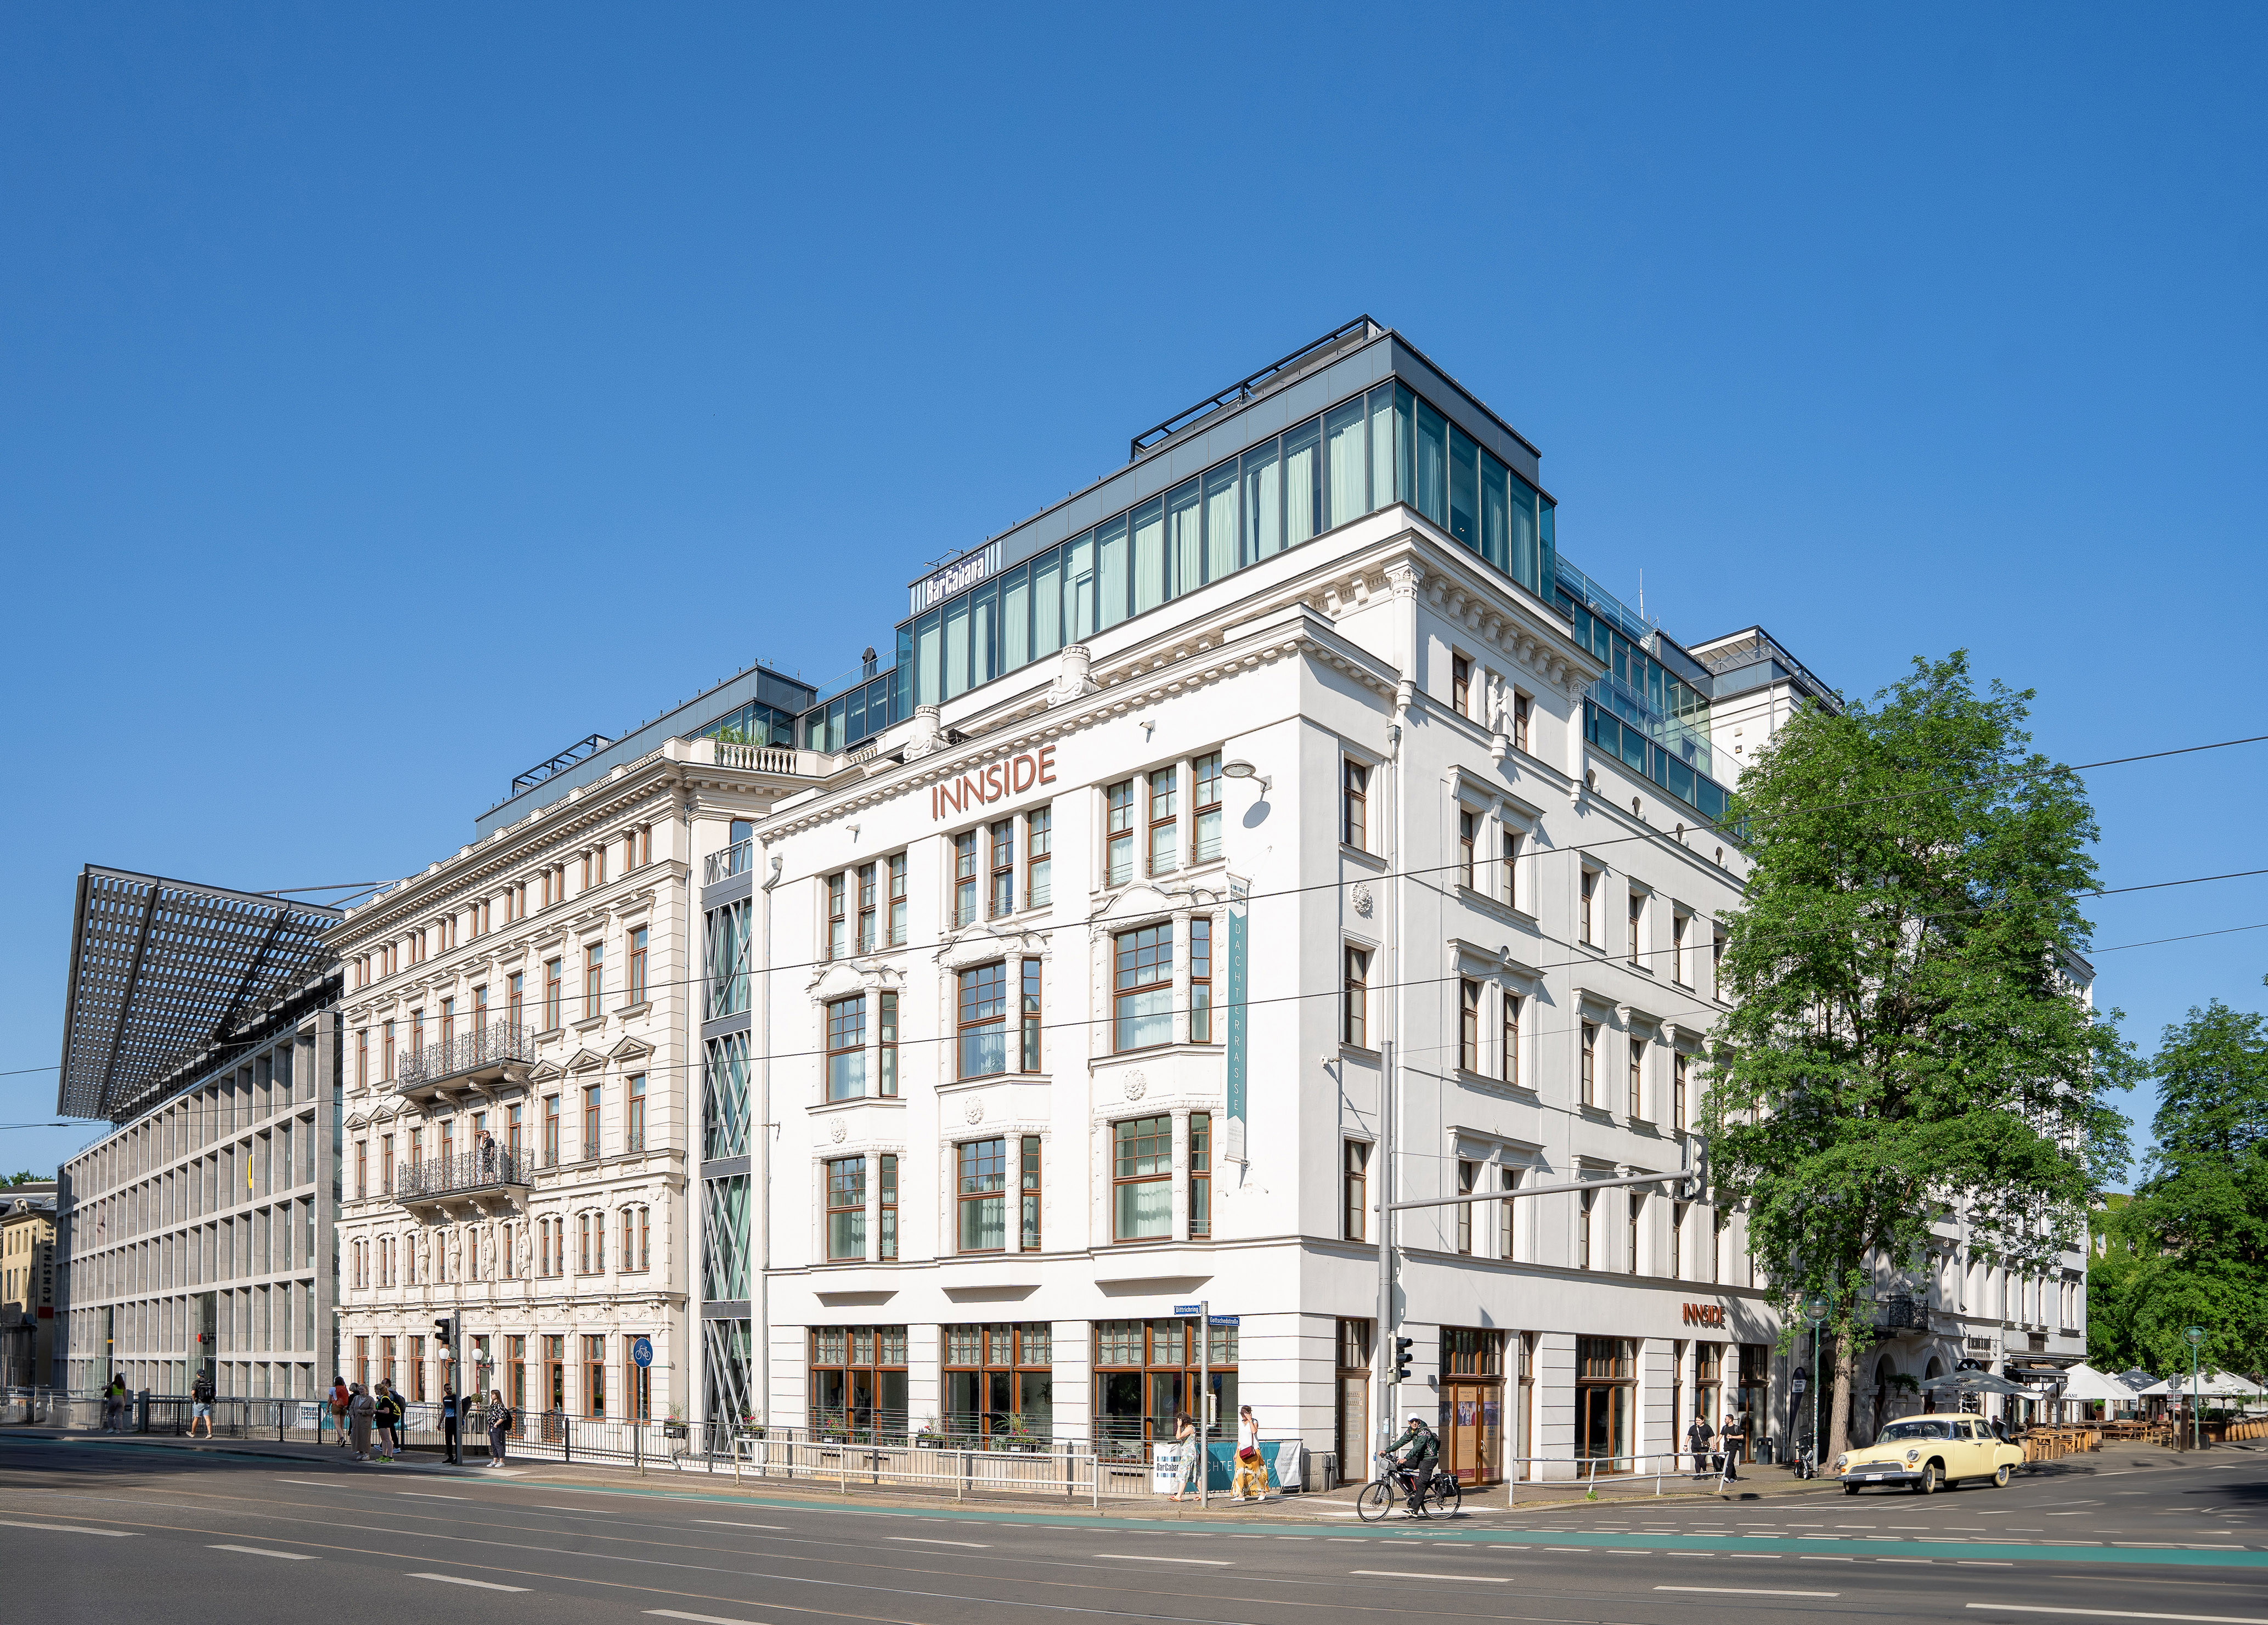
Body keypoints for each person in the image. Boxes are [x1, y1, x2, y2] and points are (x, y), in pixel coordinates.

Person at [1380, 1415, 1439, 1513]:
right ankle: (1412, 1490)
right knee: (1399, 1466)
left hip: (1429, 1458)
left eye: (1416, 1421)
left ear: (1419, 1421)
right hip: (1420, 1456)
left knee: (1421, 1484)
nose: (1414, 1423)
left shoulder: (1424, 1432)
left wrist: (1406, 1458)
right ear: (1409, 1422)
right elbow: (1401, 1442)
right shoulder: (1411, 1430)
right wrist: (1387, 1451)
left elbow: (1418, 1448)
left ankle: (1414, 1509)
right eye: (1412, 1422)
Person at [1230, 1404, 1272, 1503]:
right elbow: (1240, 1439)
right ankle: (1240, 1494)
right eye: (1241, 1414)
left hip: (1253, 1450)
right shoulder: (1240, 1423)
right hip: (1242, 1450)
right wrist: (1237, 1452)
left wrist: (1249, 1420)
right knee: (1239, 1471)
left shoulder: (1254, 1422)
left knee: (1258, 1471)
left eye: (1244, 1414)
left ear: (1249, 1413)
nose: (1242, 1416)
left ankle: (1263, 1492)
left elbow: (1254, 1431)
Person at [1166, 1412, 1201, 1503]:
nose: (1178, 1423)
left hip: (1189, 1455)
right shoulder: (1189, 1428)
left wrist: (1178, 1426)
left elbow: (1178, 1437)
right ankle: (1202, 1494)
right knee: (1195, 1475)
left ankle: (1179, 1496)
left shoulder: (1190, 1428)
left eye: (1179, 1421)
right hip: (1189, 1453)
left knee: (1183, 1473)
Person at [347, 1383, 375, 1462]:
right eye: (360, 1389)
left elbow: (372, 1410)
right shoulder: (356, 1398)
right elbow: (351, 1407)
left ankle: (367, 1453)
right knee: (357, 1436)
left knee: (365, 1437)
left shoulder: (370, 1399)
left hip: (365, 1421)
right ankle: (361, 1452)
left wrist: (363, 1412)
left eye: (362, 1389)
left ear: (367, 1390)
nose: (361, 1391)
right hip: (356, 1421)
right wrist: (352, 1415)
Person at [1717, 1412, 1746, 1482]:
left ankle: (1727, 1476)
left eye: (1726, 1419)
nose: (1725, 1420)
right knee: (1729, 1462)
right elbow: (1721, 1435)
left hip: (1734, 1447)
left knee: (1729, 1461)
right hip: (1726, 1447)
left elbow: (1742, 1436)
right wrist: (1716, 1443)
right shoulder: (1725, 1428)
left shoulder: (1736, 1428)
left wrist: (1732, 1437)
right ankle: (1734, 1476)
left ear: (1730, 1420)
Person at [485, 1389, 511, 1466]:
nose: (491, 1396)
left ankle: (502, 1461)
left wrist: (496, 1424)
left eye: (493, 1394)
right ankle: (495, 1460)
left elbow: (502, 1417)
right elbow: (491, 1417)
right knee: (493, 1444)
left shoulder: (500, 1405)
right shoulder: (493, 1405)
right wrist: (489, 1426)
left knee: (498, 1444)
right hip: (492, 1426)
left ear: (496, 1395)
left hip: (497, 1426)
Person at [189, 1368, 215, 1438]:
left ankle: (193, 1433)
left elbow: (193, 1392)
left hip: (199, 1402)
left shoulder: (196, 1382)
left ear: (198, 1375)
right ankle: (210, 1434)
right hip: (208, 1402)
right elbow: (214, 1393)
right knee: (207, 1418)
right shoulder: (210, 1382)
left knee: (196, 1418)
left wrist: (194, 1399)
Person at [1687, 1413, 1715, 1479]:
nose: (1697, 1422)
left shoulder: (1707, 1427)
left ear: (1703, 1421)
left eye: (1699, 1420)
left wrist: (1713, 1445)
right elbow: (1688, 1436)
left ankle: (1705, 1472)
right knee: (1697, 1460)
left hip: (1704, 1447)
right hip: (1695, 1447)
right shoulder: (1693, 1428)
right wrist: (1685, 1445)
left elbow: (1712, 1436)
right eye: (1696, 1420)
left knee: (1702, 1459)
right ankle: (1698, 1475)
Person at [330, 1375, 352, 1448]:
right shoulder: (345, 1389)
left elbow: (329, 1400)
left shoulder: (333, 1389)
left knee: (337, 1425)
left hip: (336, 1406)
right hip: (344, 1407)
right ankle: (338, 1440)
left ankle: (342, 1438)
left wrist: (327, 1408)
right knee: (341, 1425)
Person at [441, 1386, 460, 1465]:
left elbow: (460, 1408)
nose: (449, 1390)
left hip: (454, 1420)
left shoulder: (455, 1397)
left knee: (456, 1440)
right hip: (448, 1420)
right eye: (448, 1389)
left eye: (451, 1389)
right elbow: (444, 1410)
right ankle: (450, 1457)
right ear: (445, 1390)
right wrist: (440, 1422)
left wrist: (460, 1419)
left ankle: (458, 1458)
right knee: (448, 1441)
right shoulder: (445, 1398)